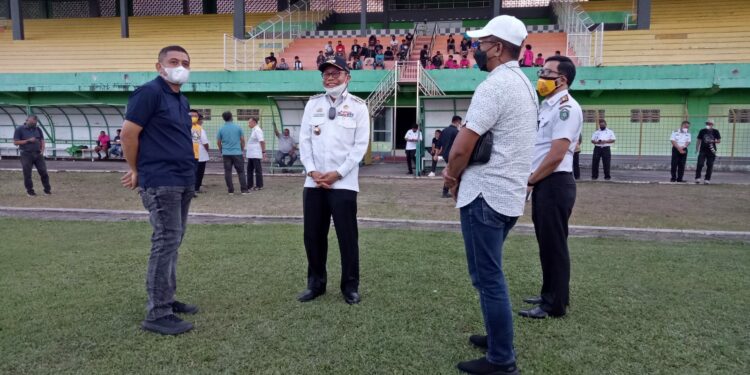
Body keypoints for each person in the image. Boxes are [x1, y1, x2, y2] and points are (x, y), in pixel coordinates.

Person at [441, 15, 536, 375]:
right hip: (508, 196)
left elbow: (464, 146)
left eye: (481, 44)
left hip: (485, 194)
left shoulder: (494, 86)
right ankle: (498, 339)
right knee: (489, 274)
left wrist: (450, 178)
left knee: (487, 277)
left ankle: (501, 359)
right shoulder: (524, 84)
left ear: (497, 48)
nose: (475, 50)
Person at [120, 45, 197, 335]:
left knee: (173, 241)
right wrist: (136, 169)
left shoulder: (181, 99)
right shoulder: (149, 93)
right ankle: (157, 312)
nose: (180, 66)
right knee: (165, 241)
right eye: (174, 61)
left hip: (183, 179)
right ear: (159, 66)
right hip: (161, 179)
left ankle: (166, 298)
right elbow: (128, 134)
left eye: (185, 62)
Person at [297, 58, 369, 305]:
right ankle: (316, 284)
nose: (330, 78)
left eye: (335, 73)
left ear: (347, 76)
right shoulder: (312, 104)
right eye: (326, 74)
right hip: (314, 183)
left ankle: (350, 286)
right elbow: (304, 141)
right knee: (313, 236)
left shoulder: (359, 107)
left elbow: (359, 148)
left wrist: (338, 173)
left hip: (344, 183)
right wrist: (312, 171)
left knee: (347, 237)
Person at [521, 55, 582, 321]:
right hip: (546, 183)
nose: (541, 77)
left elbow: (556, 154)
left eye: (547, 72)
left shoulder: (566, 108)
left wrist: (532, 181)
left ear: (562, 79)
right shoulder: (548, 106)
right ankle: (550, 293)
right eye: (541, 71)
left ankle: (554, 304)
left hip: (554, 183)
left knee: (554, 245)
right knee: (547, 244)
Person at [13, 114, 52, 196]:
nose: (34, 124)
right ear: (27, 120)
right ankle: (30, 192)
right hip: (26, 154)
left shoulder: (38, 129)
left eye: (35, 122)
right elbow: (16, 142)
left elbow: (42, 140)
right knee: (27, 174)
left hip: (38, 154)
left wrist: (42, 150)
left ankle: (47, 190)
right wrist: (28, 141)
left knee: (43, 172)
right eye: (32, 122)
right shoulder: (19, 129)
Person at [217, 111, 248, 194]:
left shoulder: (221, 129)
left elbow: (219, 142)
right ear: (231, 117)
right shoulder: (238, 127)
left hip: (226, 153)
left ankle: (230, 190)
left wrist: (221, 150)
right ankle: (244, 190)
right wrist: (241, 149)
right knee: (241, 171)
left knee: (228, 172)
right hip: (237, 152)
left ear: (223, 119)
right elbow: (242, 140)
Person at [438, 115, 461, 198]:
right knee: (453, 172)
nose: (460, 124)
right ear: (457, 122)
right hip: (453, 155)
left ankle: (448, 190)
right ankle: (446, 191)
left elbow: (439, 143)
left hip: (445, 154)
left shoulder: (444, 130)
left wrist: (437, 154)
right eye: (459, 123)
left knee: (452, 172)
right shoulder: (456, 132)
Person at [695, 119, 721, 184]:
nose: (708, 125)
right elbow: (698, 140)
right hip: (703, 150)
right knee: (700, 164)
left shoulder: (715, 131)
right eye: (707, 123)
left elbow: (719, 141)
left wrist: (713, 141)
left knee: (710, 165)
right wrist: (696, 148)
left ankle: (707, 179)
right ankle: (697, 178)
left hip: (712, 151)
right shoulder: (702, 131)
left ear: (712, 124)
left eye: (709, 124)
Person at [190, 110, 210, 193]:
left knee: (192, 172)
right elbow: (205, 142)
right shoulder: (200, 129)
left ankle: (192, 187)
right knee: (199, 172)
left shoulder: (186, 127)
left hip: (189, 153)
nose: (202, 121)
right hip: (200, 154)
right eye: (201, 119)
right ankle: (196, 188)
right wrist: (207, 149)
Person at [245, 117, 266, 190]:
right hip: (251, 154)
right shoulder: (254, 130)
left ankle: (259, 185)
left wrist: (263, 152)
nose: (248, 124)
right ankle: (250, 185)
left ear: (254, 122)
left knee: (258, 170)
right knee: (249, 170)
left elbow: (262, 141)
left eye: (249, 122)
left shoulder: (257, 130)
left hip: (256, 154)